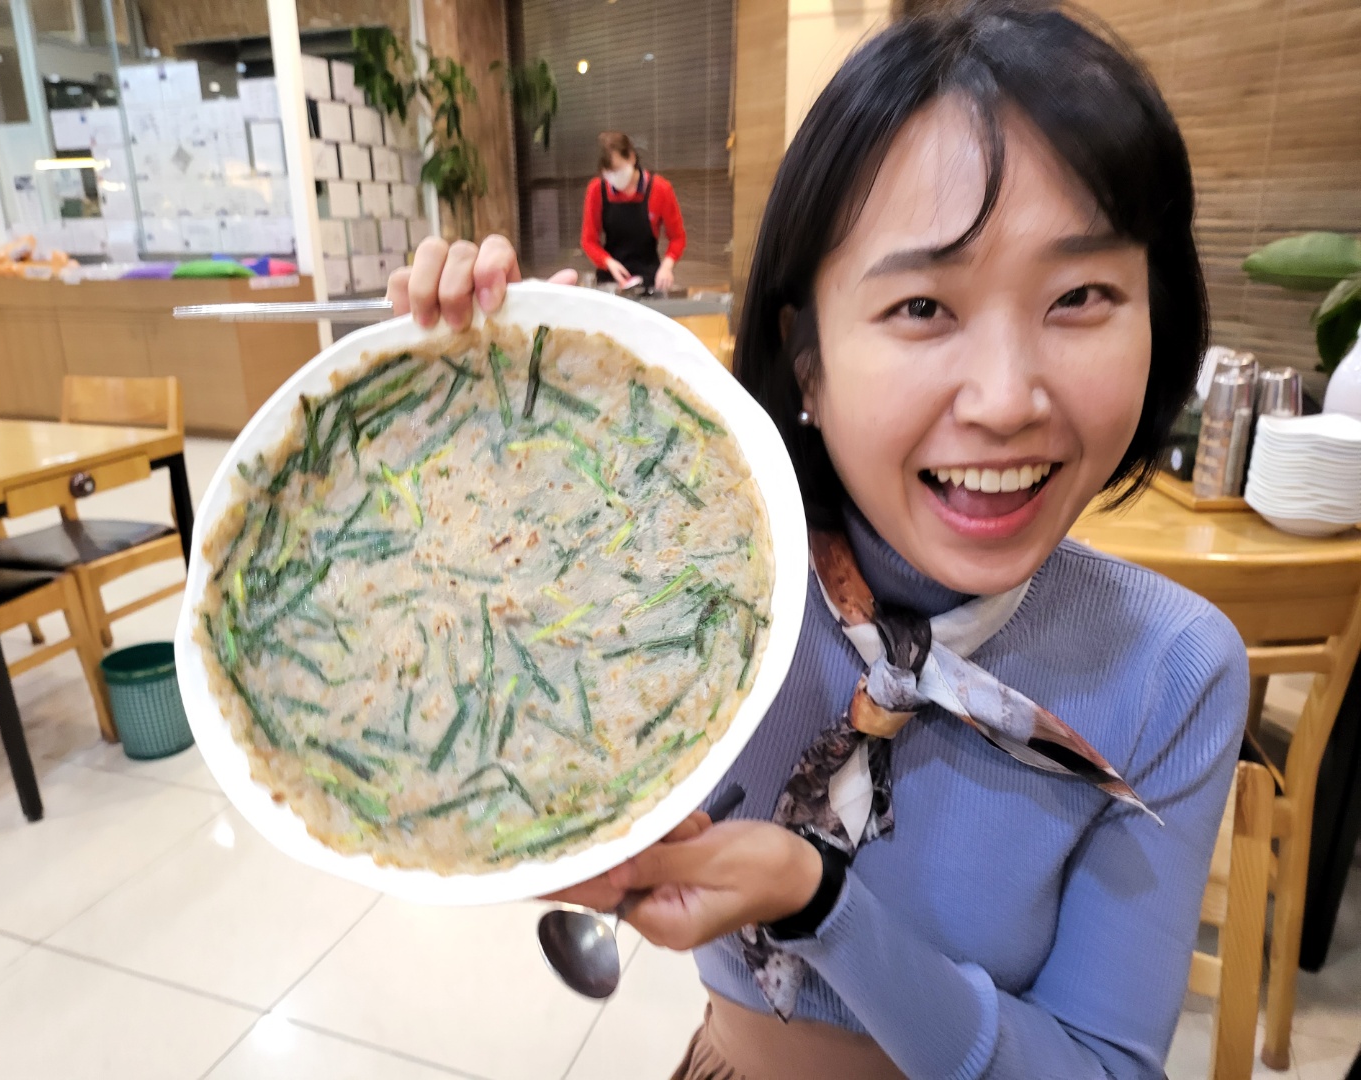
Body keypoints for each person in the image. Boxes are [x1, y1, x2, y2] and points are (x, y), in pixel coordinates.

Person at [386, 3, 1247, 1076]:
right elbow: (472, 752)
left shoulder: (1172, 673)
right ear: (808, 361)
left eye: (1080, 295)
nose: (1006, 399)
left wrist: (820, 903)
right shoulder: (706, 581)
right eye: (923, 306)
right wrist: (494, 424)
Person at [580, 131, 686, 292]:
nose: (614, 177)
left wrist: (667, 267)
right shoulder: (596, 190)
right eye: (608, 173)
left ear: (631, 157)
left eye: (617, 170)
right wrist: (608, 262)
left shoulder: (660, 189)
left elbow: (678, 238)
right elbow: (588, 241)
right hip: (611, 278)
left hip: (649, 277)